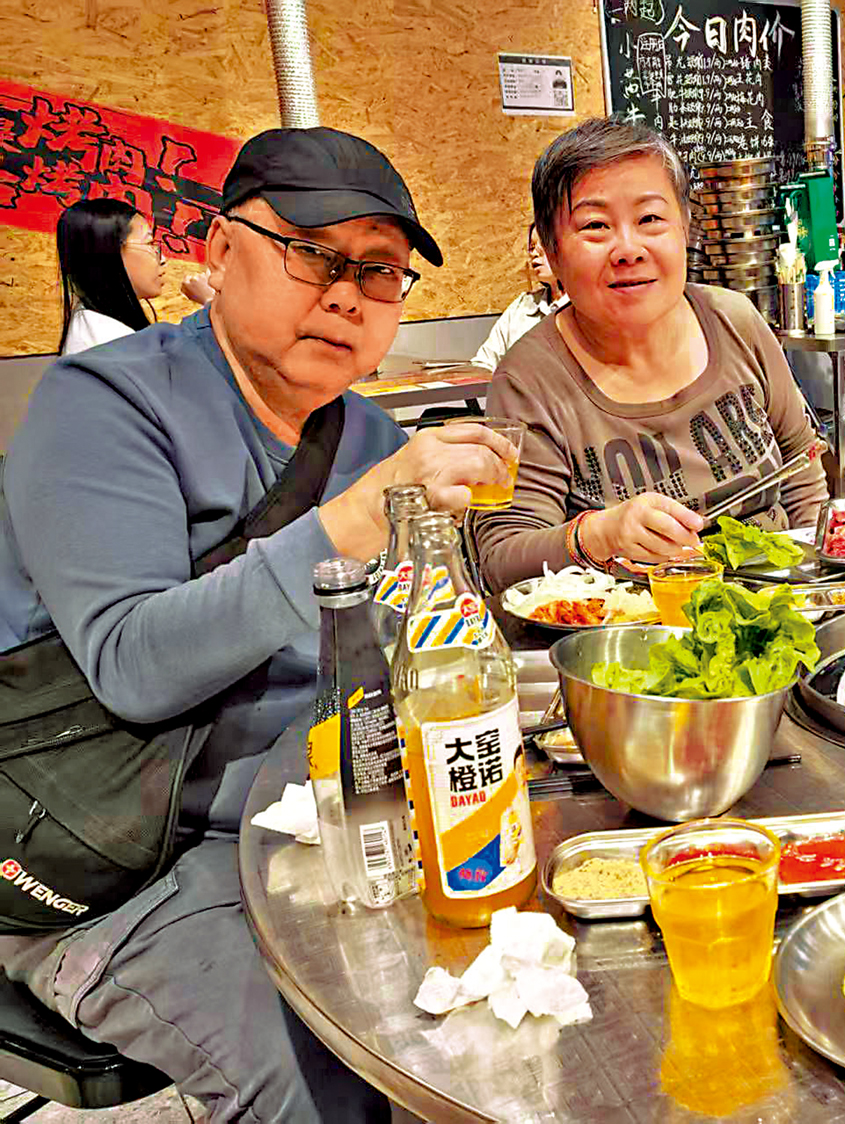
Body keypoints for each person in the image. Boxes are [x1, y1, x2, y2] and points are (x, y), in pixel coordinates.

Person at [0, 127, 515, 1121]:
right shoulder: (103, 407)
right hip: (102, 858)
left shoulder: (365, 432)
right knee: (316, 1079)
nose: (346, 292)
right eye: (312, 252)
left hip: (311, 820)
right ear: (219, 250)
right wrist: (364, 514)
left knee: (487, 1002)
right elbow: (133, 666)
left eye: (379, 270)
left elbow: (407, 640)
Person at [473, 118, 828, 587]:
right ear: (552, 252)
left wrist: (815, 585)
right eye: (595, 225)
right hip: (627, 637)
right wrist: (598, 536)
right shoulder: (528, 379)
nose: (628, 248)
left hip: (778, 604)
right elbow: (500, 558)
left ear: (684, 228)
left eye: (650, 219)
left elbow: (802, 469)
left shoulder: (734, 319)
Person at [55, 198, 216, 356]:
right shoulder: (110, 343)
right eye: (150, 244)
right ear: (110, 254)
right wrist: (212, 304)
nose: (162, 259)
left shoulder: (92, 322)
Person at [469, 221, 568, 372]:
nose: (534, 253)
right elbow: (484, 363)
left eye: (542, 244)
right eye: (531, 247)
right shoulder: (521, 306)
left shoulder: (587, 308)